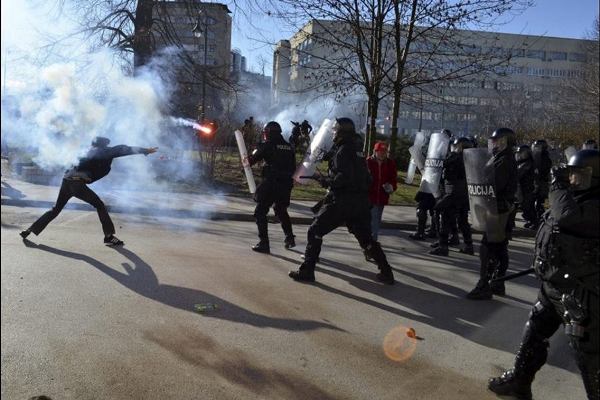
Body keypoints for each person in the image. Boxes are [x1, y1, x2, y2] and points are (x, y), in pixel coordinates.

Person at [488, 149, 599, 400]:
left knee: (589, 357)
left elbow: (567, 217)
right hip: (555, 285)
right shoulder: (574, 197)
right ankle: (519, 381)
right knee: (534, 330)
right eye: (571, 175)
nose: (573, 180)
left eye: (579, 176)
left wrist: (558, 184)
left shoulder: (591, 204)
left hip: (583, 293)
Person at [288, 118, 395, 284]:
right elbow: (365, 177)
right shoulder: (355, 149)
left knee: (315, 230)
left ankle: (307, 271)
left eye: (336, 130)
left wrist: (325, 181)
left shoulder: (344, 150)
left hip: (343, 201)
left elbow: (343, 177)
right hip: (360, 203)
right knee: (366, 240)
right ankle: (387, 272)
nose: (333, 133)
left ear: (342, 132)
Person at [20, 137, 157, 246]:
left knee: (55, 210)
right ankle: (109, 236)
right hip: (77, 184)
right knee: (100, 205)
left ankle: (30, 230)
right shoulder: (102, 151)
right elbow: (122, 149)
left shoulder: (85, 151)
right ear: (104, 145)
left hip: (66, 182)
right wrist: (145, 150)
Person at [466, 128, 518, 300]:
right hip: (500, 208)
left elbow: (494, 183)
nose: (494, 144)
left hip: (498, 209)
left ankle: (484, 285)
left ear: (505, 142)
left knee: (488, 247)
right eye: (493, 141)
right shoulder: (502, 158)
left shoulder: (504, 160)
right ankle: (497, 282)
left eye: (497, 141)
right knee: (500, 247)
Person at [248, 121, 296, 254]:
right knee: (280, 209)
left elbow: (252, 160)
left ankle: (264, 243)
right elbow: (293, 166)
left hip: (272, 183)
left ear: (268, 132)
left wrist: (254, 152)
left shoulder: (268, 144)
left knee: (260, 212)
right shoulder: (289, 146)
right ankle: (289, 238)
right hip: (286, 184)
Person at [430, 137, 474, 256]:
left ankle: (443, 245)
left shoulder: (455, 156)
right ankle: (469, 245)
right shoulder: (471, 159)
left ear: (460, 147)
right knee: (463, 220)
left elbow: (441, 164)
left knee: (442, 214)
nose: (453, 148)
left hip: (452, 193)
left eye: (456, 146)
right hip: (464, 194)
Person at [367, 141, 397, 241]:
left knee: (376, 220)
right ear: (375, 151)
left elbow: (393, 179)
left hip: (382, 197)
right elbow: (362, 178)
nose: (383, 153)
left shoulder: (390, 163)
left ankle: (369, 241)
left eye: (384, 151)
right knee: (373, 220)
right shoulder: (368, 162)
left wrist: (391, 187)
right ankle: (371, 242)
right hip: (369, 196)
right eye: (380, 151)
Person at [515, 145, 537, 229]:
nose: (520, 155)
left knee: (528, 206)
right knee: (526, 206)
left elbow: (518, 173)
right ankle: (530, 221)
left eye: (522, 153)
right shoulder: (522, 163)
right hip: (523, 187)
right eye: (519, 153)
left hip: (527, 188)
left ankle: (534, 222)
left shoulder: (527, 163)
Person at [532, 139, 553, 221]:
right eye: (536, 147)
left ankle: (544, 216)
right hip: (538, 181)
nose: (536, 149)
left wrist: (538, 172)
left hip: (543, 182)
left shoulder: (544, 157)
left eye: (538, 147)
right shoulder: (537, 156)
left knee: (544, 200)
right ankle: (538, 217)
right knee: (538, 199)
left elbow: (544, 169)